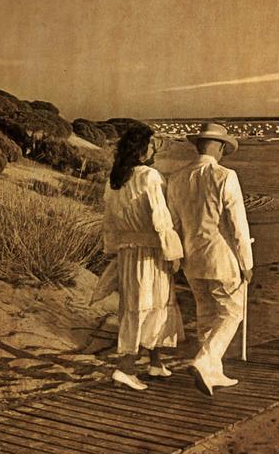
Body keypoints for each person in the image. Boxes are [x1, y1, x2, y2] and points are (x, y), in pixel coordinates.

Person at [167, 122, 253, 396]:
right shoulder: (225, 176)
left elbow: (174, 224)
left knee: (206, 314)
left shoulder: (176, 178)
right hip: (221, 257)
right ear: (218, 147)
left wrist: (177, 257)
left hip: (192, 258)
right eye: (223, 147)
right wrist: (246, 263)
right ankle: (205, 360)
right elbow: (238, 225)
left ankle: (213, 372)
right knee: (231, 312)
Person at [101, 124, 185, 390]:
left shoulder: (116, 179)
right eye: (150, 145)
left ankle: (155, 362)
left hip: (128, 253)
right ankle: (125, 368)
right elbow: (161, 219)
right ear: (140, 150)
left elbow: (109, 221)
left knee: (145, 305)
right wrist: (173, 251)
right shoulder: (149, 176)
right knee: (147, 306)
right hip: (150, 253)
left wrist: (114, 249)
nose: (154, 150)